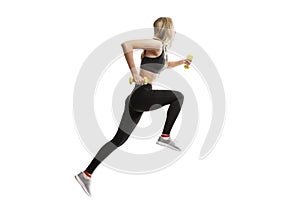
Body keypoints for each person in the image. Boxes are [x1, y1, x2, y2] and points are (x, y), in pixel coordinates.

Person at [75, 17, 192, 196]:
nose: (175, 32)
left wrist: (182, 62)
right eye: (173, 29)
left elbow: (164, 65)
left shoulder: (160, 49)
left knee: (118, 140)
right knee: (178, 97)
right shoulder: (155, 43)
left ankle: (86, 174)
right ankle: (165, 136)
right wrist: (134, 72)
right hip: (141, 95)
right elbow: (126, 44)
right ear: (167, 30)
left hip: (137, 98)